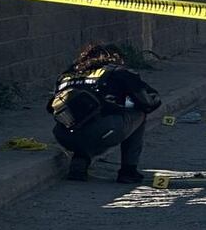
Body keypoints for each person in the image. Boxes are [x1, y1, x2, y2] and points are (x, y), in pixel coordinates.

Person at [48, 44, 161, 183]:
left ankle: (80, 160)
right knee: (139, 113)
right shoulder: (118, 72)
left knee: (83, 124)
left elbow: (51, 107)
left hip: (63, 136)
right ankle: (128, 171)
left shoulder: (66, 75)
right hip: (103, 132)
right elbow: (149, 102)